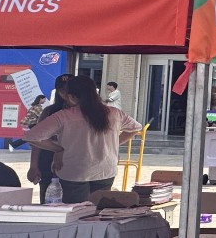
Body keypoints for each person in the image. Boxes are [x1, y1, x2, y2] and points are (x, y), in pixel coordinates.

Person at [23, 75, 141, 203]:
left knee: (76, 211)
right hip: (105, 171)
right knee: (98, 210)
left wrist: (58, 149)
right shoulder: (114, 113)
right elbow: (136, 128)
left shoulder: (63, 116)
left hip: (74, 172)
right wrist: (114, 144)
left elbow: (31, 137)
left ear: (72, 97)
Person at [27, 74, 72, 203]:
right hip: (48, 157)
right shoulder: (49, 111)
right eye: (62, 89)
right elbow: (36, 140)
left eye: (69, 89)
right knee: (48, 197)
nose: (65, 92)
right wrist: (34, 165)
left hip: (73, 158)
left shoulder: (84, 112)